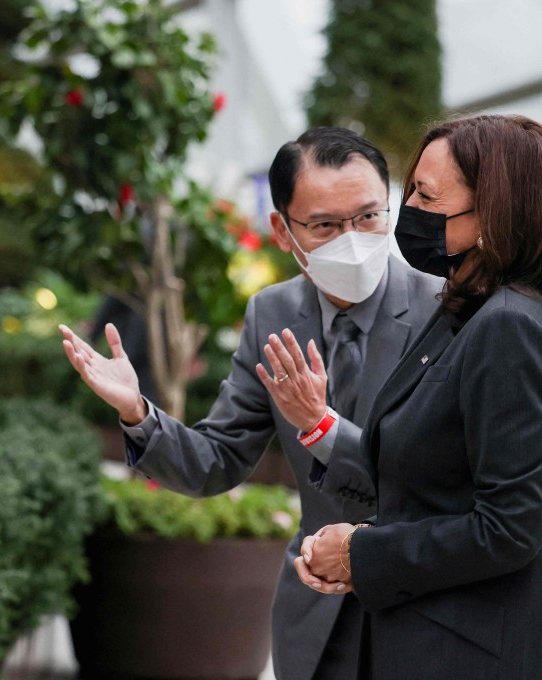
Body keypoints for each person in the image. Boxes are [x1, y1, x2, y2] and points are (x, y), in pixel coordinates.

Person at [60, 126, 443, 680]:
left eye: (367, 217)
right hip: (314, 613)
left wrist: (321, 427)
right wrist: (137, 412)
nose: (353, 239)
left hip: (422, 607)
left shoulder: (447, 307)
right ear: (282, 231)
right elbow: (216, 461)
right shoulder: (274, 313)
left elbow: (436, 476)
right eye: (325, 226)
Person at [296, 114, 542, 679]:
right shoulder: (466, 308)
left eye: (428, 196)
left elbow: (510, 528)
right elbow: (440, 488)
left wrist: (363, 556)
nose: (409, 211)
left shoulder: (508, 327)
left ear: (493, 213)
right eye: (409, 191)